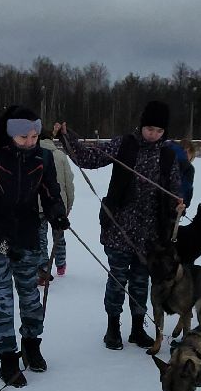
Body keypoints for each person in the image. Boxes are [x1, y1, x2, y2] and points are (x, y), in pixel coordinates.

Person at [55, 100, 185, 351]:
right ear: (141, 126)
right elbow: (88, 157)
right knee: (117, 278)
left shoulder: (168, 155)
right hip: (119, 227)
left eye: (159, 131)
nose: (153, 134)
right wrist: (66, 136)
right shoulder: (124, 144)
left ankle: (137, 328)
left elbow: (175, 189)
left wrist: (179, 204)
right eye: (149, 129)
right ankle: (112, 328)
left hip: (150, 233)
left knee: (140, 280)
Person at [0, 105, 69, 387]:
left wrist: (56, 212)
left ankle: (32, 344)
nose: (30, 141)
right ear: (10, 133)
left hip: (26, 236)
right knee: (2, 300)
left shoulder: (43, 158)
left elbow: (51, 194)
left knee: (30, 296)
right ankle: (7, 358)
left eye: (35, 136)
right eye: (24, 137)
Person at [36, 134, 76, 275]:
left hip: (38, 205)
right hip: (57, 204)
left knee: (41, 239)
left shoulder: (34, 156)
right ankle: (60, 263)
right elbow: (68, 182)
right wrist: (68, 205)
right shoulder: (60, 156)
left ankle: (43, 266)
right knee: (58, 235)